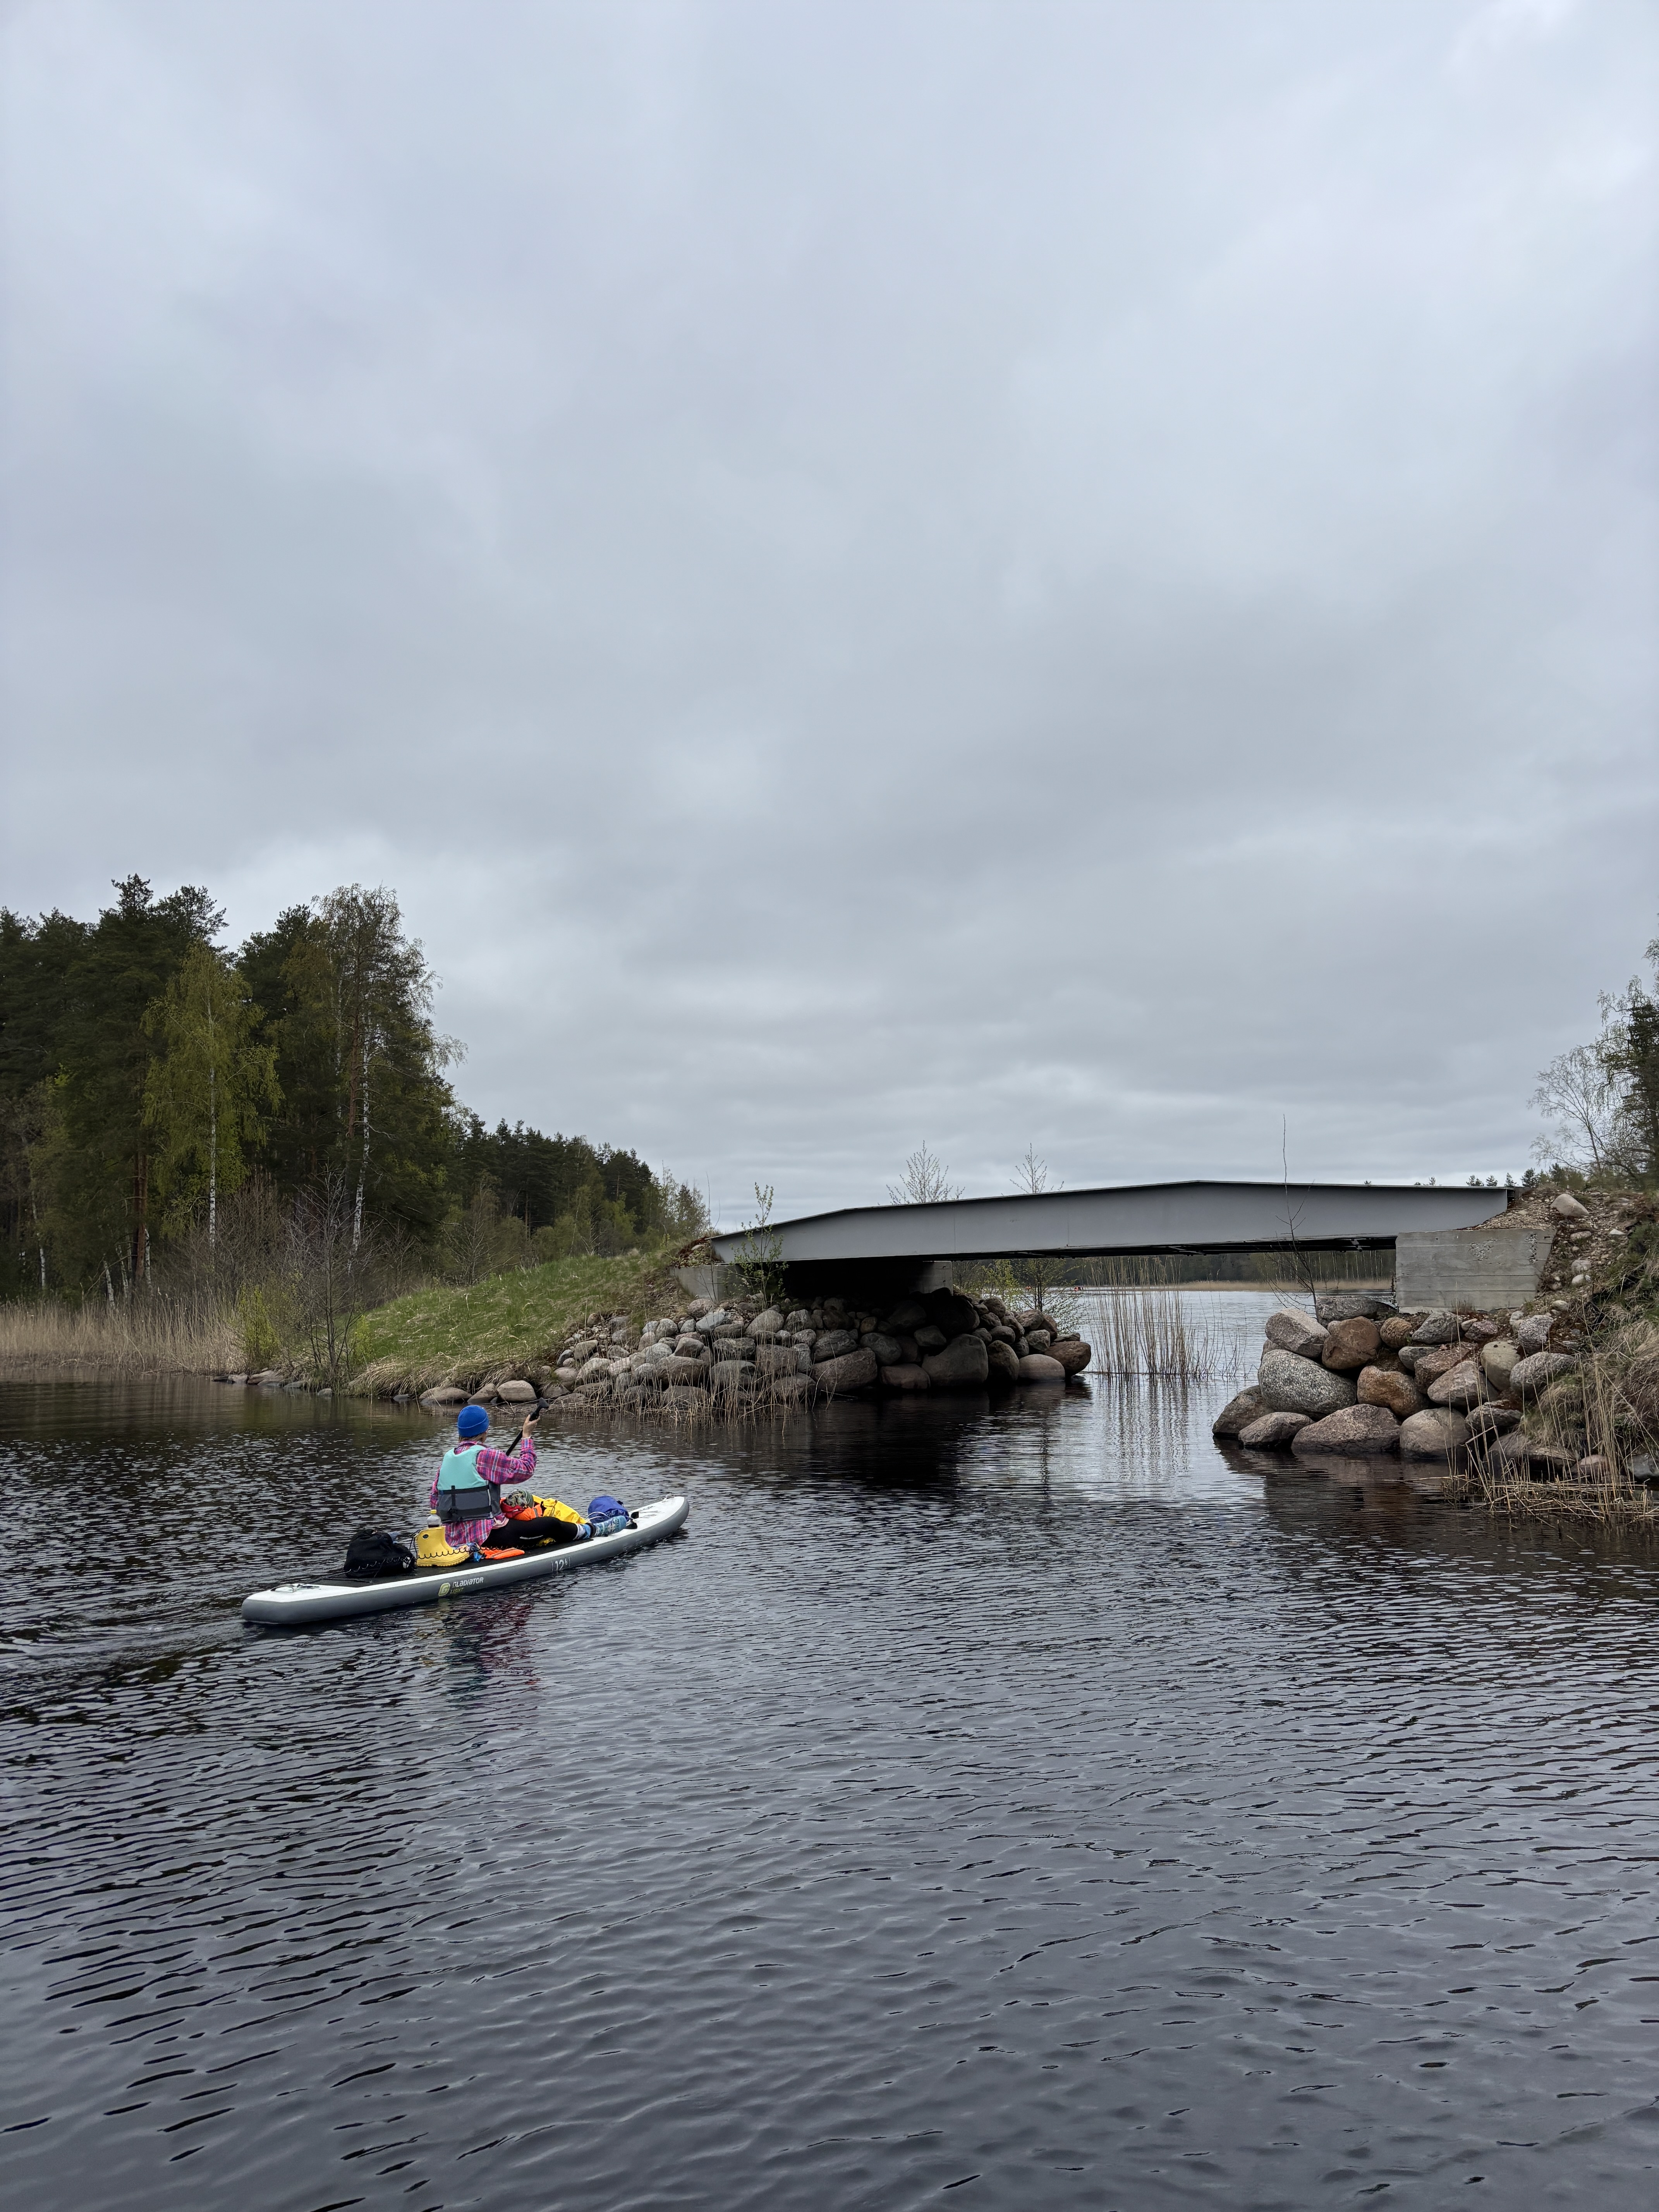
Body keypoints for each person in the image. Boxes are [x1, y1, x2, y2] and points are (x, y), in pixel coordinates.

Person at [429, 1404, 539, 1559]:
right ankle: (585, 1531)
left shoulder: (447, 1459)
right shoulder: (487, 1455)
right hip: (486, 1537)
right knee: (551, 1525)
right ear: (485, 1431)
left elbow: (435, 1501)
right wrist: (527, 1436)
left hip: (451, 1539)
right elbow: (526, 1469)